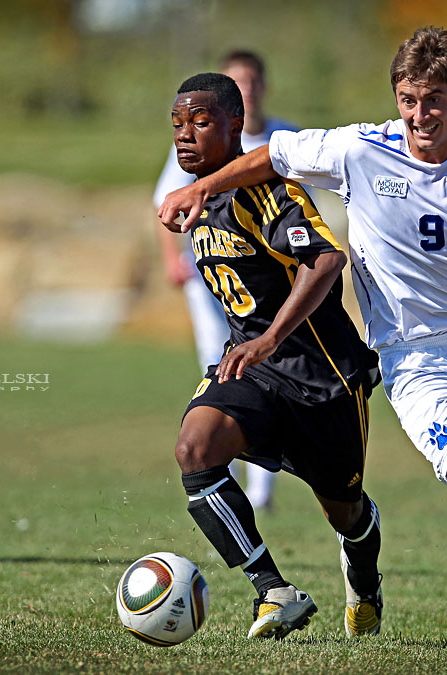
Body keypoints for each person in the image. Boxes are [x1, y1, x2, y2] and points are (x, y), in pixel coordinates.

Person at [159, 27, 447, 654]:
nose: (419, 114)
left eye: (434, 100)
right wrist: (201, 187)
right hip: (418, 354)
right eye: (408, 99)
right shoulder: (359, 148)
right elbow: (274, 154)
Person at [166, 72, 383, 639]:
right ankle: (274, 591)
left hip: (323, 377)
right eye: (177, 125)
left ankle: (363, 576)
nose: (185, 135)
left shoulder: (265, 192)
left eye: (201, 122)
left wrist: (271, 339)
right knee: (196, 449)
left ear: (237, 124)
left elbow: (326, 262)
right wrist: (253, 347)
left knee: (347, 512)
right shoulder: (199, 198)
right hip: (253, 369)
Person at [153, 50, 297, 511]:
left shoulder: (286, 138)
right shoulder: (196, 137)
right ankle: (219, 469)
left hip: (268, 284)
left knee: (259, 369)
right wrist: (171, 257)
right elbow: (166, 200)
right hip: (210, 280)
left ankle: (261, 488)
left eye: (252, 80)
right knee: (220, 366)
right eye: (238, 81)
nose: (247, 88)